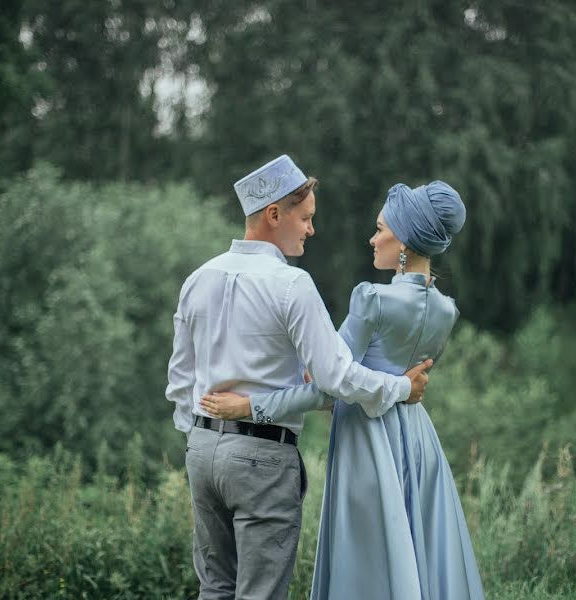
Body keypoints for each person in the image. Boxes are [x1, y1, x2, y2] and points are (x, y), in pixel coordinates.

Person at [165, 154, 432, 600]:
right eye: (305, 218)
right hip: (262, 458)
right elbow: (337, 377)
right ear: (274, 215)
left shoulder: (198, 277)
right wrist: (403, 388)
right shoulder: (291, 284)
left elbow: (179, 379)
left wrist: (201, 440)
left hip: (202, 450)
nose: (311, 229)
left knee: (214, 590)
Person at [202, 180, 485, 599]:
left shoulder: (372, 300)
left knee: (369, 567)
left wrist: (248, 405)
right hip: (420, 442)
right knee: (418, 556)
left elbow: (328, 390)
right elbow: (386, 383)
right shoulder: (446, 310)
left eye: (381, 229)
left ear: (404, 241)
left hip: (368, 443)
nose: (373, 239)